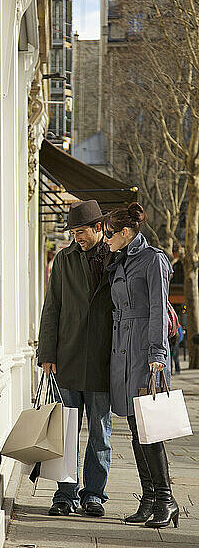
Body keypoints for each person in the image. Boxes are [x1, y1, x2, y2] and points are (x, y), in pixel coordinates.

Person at [103, 202, 179, 529]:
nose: (105, 239)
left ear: (126, 232)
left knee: (150, 428)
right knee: (136, 430)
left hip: (145, 354)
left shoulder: (153, 260)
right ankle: (148, 498)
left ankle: (167, 499)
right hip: (123, 349)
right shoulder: (120, 260)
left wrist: (157, 355)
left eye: (109, 234)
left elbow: (159, 311)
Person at [37, 200, 114, 517]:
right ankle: (65, 495)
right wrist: (46, 353)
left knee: (100, 433)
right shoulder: (64, 260)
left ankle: (94, 494)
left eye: (81, 232)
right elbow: (51, 307)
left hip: (102, 362)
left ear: (98, 228)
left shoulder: (116, 259)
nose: (77, 238)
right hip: (66, 359)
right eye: (74, 232)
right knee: (66, 431)